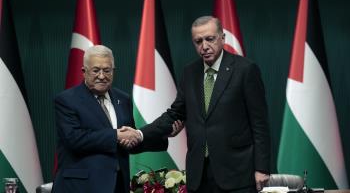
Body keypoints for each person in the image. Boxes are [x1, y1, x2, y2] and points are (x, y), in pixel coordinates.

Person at [140, 16, 271, 193]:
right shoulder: (190, 72)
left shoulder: (245, 70)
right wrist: (141, 133)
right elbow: (176, 113)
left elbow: (260, 124)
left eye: (210, 39)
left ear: (222, 38)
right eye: (198, 41)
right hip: (199, 175)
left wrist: (261, 169)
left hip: (237, 174)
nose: (204, 46)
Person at [52, 45, 180, 193]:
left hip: (118, 184)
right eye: (96, 70)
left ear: (113, 71)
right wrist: (116, 135)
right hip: (80, 187)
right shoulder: (67, 100)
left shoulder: (122, 99)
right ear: (84, 71)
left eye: (107, 70)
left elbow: (128, 141)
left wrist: (161, 135)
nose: (101, 76)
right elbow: (75, 139)